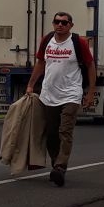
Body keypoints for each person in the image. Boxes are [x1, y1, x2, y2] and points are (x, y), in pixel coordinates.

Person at [25, 11, 96, 187]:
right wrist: (30, 85)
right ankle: (56, 165)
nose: (60, 25)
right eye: (57, 22)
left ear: (70, 25)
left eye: (64, 23)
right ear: (53, 23)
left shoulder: (78, 43)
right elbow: (40, 63)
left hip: (71, 94)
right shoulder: (46, 40)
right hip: (49, 95)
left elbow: (90, 65)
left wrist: (90, 92)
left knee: (65, 131)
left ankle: (60, 166)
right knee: (50, 133)